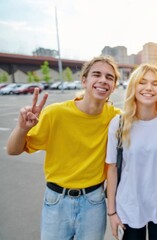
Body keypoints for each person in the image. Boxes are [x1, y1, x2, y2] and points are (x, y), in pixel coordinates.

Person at [6, 55, 121, 240]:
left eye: (109, 77)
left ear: (114, 86)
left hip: (94, 201)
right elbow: (12, 150)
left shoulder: (116, 118)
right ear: (84, 80)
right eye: (96, 74)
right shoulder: (56, 113)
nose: (103, 80)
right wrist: (22, 128)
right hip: (56, 201)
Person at [106, 63, 157, 240]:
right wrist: (112, 213)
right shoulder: (118, 123)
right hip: (128, 208)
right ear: (134, 87)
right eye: (142, 82)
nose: (149, 88)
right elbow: (111, 169)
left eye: (155, 83)